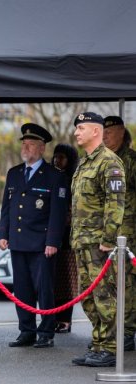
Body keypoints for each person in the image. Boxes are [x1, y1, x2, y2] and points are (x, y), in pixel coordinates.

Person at [0, 123, 68, 348]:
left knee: (44, 289)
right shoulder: (14, 173)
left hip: (41, 243)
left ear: (41, 149)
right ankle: (26, 330)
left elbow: (58, 213)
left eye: (30, 145)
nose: (25, 148)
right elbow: (7, 207)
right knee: (22, 289)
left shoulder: (54, 176)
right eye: (24, 144)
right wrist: (3, 234)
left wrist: (52, 241)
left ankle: (46, 331)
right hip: (18, 241)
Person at [71, 112, 125, 367]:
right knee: (88, 297)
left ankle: (111, 347)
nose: (76, 132)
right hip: (82, 241)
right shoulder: (85, 163)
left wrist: (109, 239)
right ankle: (99, 342)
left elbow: (115, 204)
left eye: (81, 128)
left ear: (96, 131)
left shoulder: (109, 162)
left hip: (99, 244)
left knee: (105, 296)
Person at [103, 115, 136, 351]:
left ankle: (127, 331)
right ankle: (111, 330)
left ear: (122, 133)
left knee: (126, 283)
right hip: (105, 232)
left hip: (127, 232)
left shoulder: (131, 160)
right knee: (108, 284)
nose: (105, 137)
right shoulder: (101, 160)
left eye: (110, 132)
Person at [51, 144, 79, 334]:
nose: (57, 161)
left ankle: (65, 320)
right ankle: (52, 318)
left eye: (61, 157)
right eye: (55, 157)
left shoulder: (73, 180)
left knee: (67, 282)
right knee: (52, 282)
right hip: (52, 237)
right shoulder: (51, 177)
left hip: (68, 238)